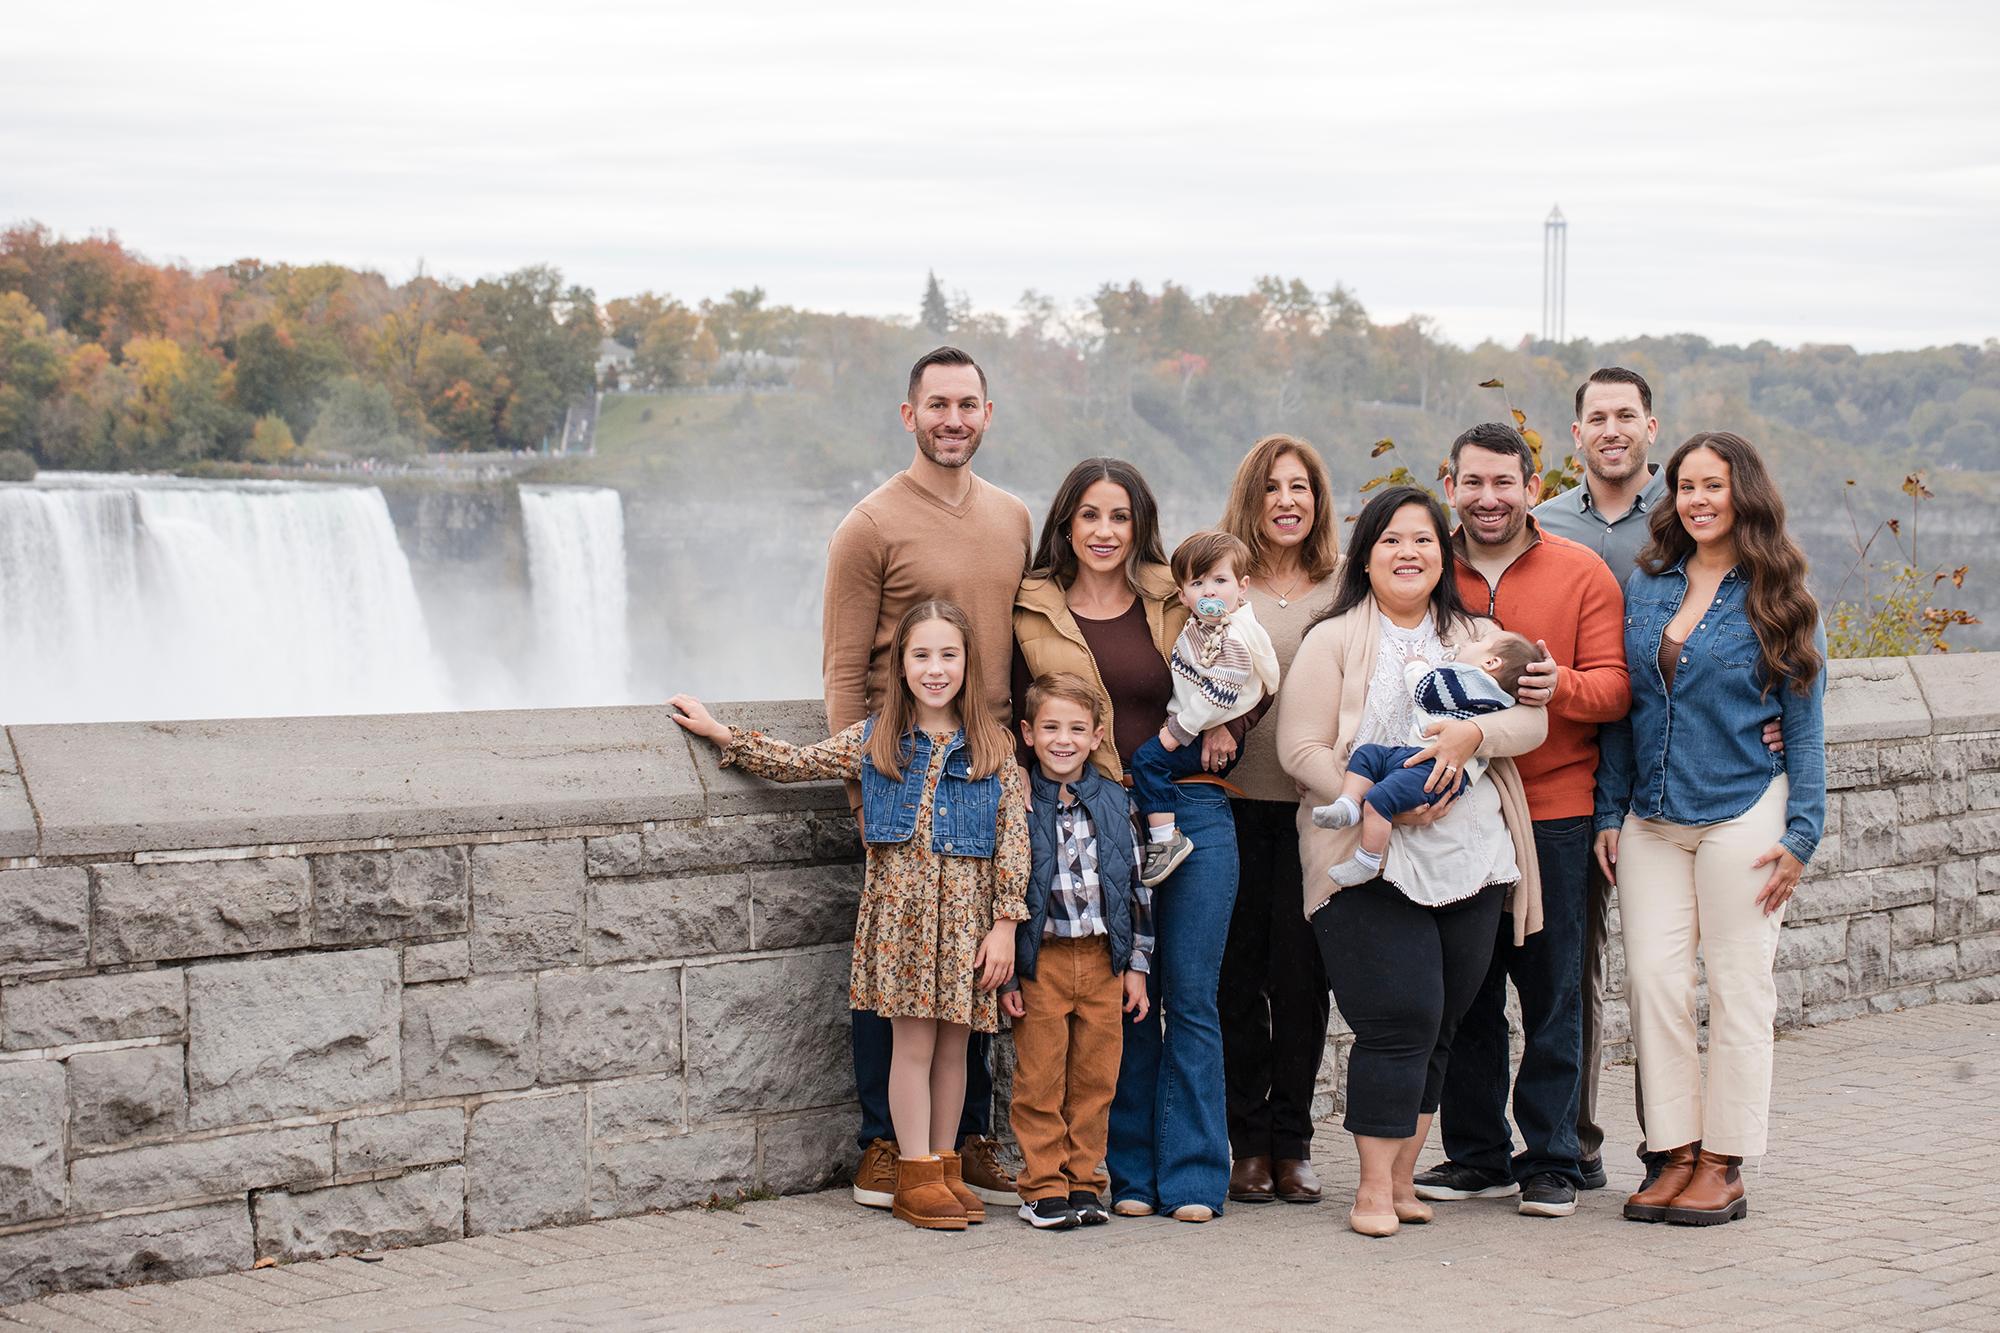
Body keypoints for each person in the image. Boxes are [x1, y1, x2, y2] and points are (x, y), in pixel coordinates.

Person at [670, 600, 1029, 1232]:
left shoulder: (994, 748)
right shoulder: (876, 740)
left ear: (969, 663)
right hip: (902, 928)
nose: (936, 669)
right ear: (901, 663)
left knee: (957, 1051)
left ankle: (945, 1165)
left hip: (968, 928)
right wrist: (723, 734)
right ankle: (915, 1170)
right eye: (922, 655)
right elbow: (794, 764)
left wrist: (1004, 925)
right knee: (913, 1048)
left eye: (949, 655)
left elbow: (1014, 844)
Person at [1276, 486, 1548, 1238]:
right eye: (1391, 539)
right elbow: (1297, 748)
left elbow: (1531, 718)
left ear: (1444, 553)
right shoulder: (1332, 639)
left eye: (1424, 539)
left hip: (1467, 855)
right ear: (1366, 553)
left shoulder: (1479, 633)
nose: (1408, 552)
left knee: (1443, 1023)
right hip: (1367, 855)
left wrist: (1473, 740)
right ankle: (1368, 1187)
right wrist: (1383, 803)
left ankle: (1402, 1181)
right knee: (1398, 1017)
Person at [1011, 458, 1256, 1223]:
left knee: (1188, 992)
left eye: (1119, 517)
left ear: (1139, 525)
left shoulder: (1175, 596)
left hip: (1191, 809)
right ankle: (1125, 1174)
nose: (1105, 532)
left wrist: (1230, 725)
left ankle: (1192, 1175)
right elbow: (1005, 705)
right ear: (1067, 523)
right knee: (1121, 998)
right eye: (1090, 515)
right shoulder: (1030, 607)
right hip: (1088, 817)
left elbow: (1243, 667)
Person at [1595, 432, 1826, 1227]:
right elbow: (1628, 707)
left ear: (1743, 494)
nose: (1697, 499)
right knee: (1656, 983)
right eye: (1686, 485)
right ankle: (1675, 1149)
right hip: (1653, 816)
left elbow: (1803, 727)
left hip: (1744, 809)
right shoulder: (1650, 583)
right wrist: (1608, 810)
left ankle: (1724, 1160)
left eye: (1713, 486)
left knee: (1737, 987)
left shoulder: (1779, 593)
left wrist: (1802, 835)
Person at [821, 346, 1032, 1212]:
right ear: (909, 414)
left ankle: (956, 1142)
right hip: (903, 776)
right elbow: (843, 668)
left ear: (987, 414)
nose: (954, 418)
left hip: (986, 766)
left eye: (968, 403)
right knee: (898, 974)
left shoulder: (1014, 517)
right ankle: (886, 1144)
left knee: (970, 964)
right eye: (937, 403)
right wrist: (863, 789)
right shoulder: (869, 525)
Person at [1414, 422, 1630, 1220]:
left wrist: (1557, 684)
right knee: (1466, 991)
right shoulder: (1428, 566)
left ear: (1534, 486)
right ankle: (1478, 1154)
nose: (1488, 498)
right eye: (1473, 482)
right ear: (1451, 485)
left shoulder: (1583, 571)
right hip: (1458, 811)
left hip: (1556, 813)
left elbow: (1616, 690)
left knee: (1552, 992)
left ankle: (1553, 1158)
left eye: (1504, 482)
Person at [1532, 367, 1667, 1186]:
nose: (1612, 428)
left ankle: (1671, 1144)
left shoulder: (1687, 513)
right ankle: (1572, 1141)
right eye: (1596, 417)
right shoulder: (1541, 524)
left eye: (1627, 414)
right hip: (1573, 780)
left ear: (1651, 425)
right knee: (1570, 972)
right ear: (1576, 435)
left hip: (1662, 775)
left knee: (1655, 971)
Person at [1215, 435, 1340, 1207]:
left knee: (1302, 982)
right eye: (1272, 488)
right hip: (1229, 808)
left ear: (1318, 500)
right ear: (1251, 499)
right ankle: (1246, 1141)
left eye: (1301, 487)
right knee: (1235, 982)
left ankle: (1293, 1142)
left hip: (1313, 814)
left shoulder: (1343, 587)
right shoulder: (1224, 583)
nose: (1288, 500)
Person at [1001, 671, 1155, 1230]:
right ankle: (1042, 1188)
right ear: (1027, 732)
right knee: (1040, 1081)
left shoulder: (1116, 802)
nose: (1062, 740)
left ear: (1096, 736)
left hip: (1101, 962)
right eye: (1050, 727)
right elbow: (1005, 888)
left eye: (1076, 728)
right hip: (1041, 962)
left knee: (1095, 1082)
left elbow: (1137, 889)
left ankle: (1086, 1184)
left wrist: (1135, 966)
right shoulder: (1017, 803)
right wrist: (1011, 976)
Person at [1313, 628, 1540, 887]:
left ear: (1490, 662)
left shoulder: (1476, 683)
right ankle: (1349, 804)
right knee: (1368, 755)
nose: (1467, 642)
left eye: (1477, 642)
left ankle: (1367, 859)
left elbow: (1427, 691)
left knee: (1379, 798)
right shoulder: (1486, 687)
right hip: (1414, 756)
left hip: (1435, 769)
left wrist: (1416, 666)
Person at [1128, 530, 1279, 886]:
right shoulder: (1204, 625)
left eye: (1220, 580)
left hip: (1201, 727)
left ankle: (1166, 841)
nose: (1209, 591)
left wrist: (1179, 730)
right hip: (1195, 721)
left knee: (1148, 760)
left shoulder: (1234, 636)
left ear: (1242, 587)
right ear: (1182, 595)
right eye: (1197, 582)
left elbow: (1219, 691)